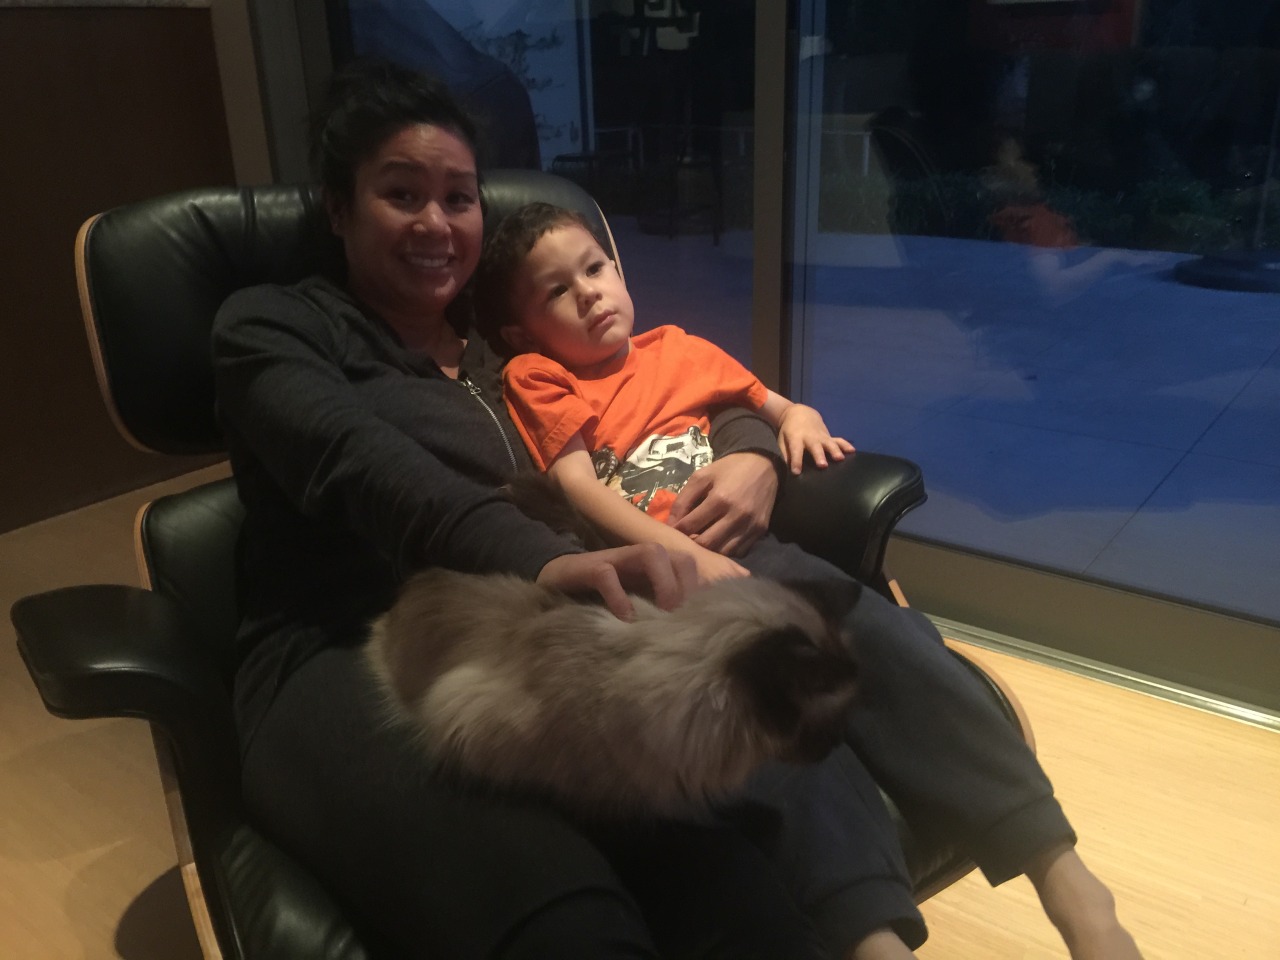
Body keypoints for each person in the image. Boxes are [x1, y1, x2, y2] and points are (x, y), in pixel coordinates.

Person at [212, 56, 1142, 960]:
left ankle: (995, 896)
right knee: (562, 912)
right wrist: (546, 557)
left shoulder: (508, 343)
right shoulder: (268, 328)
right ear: (337, 206)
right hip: (346, 647)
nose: (436, 222)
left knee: (749, 815)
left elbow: (666, 390)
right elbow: (366, 469)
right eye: (400, 193)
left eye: (458, 197)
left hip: (546, 623)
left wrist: (750, 457)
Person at [475, 201, 855, 584]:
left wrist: (803, 416)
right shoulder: (537, 376)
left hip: (743, 540)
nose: (588, 292)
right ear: (523, 337)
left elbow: (782, 409)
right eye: (558, 290)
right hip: (651, 568)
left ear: (616, 271)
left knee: (845, 600)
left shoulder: (679, 349)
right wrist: (686, 555)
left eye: (594, 268)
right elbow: (575, 485)